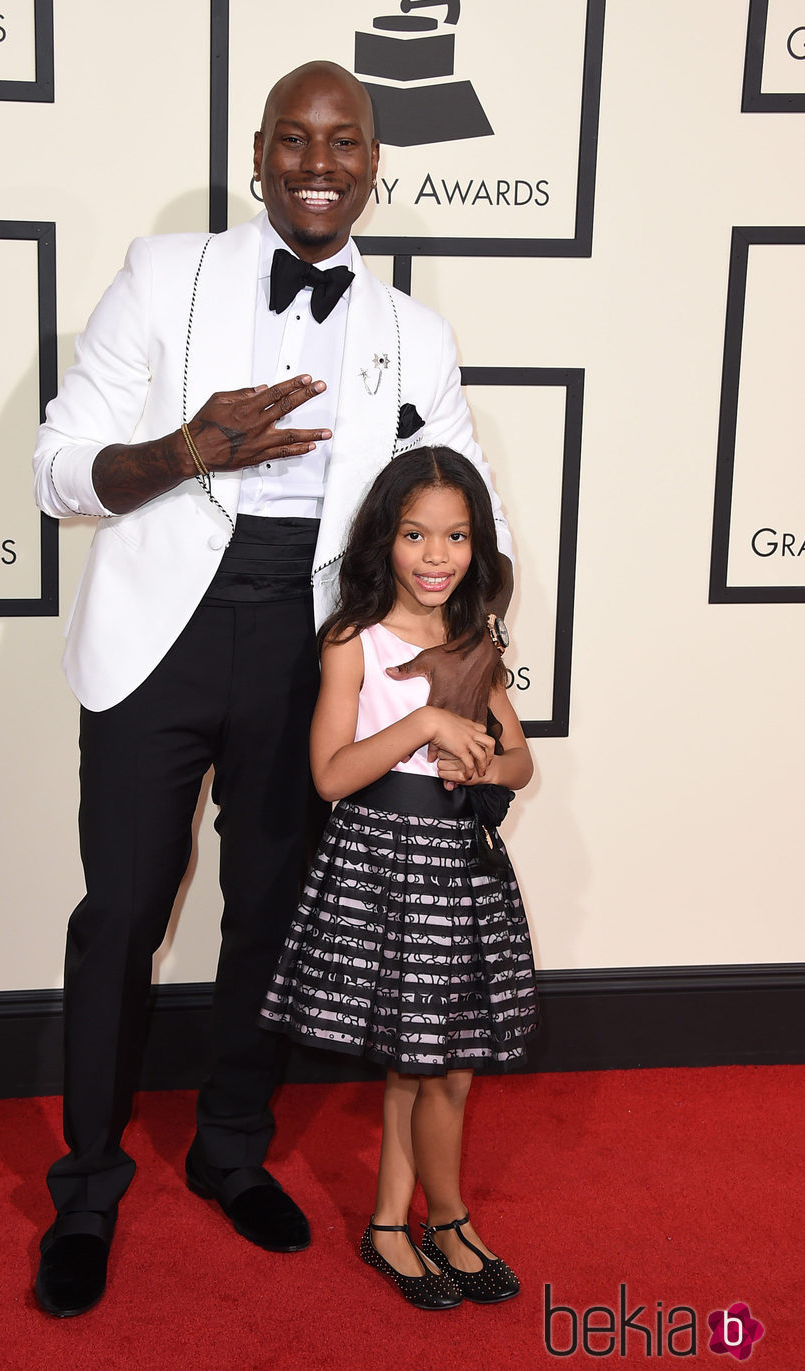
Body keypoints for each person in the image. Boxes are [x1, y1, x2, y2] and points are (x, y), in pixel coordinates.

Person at [31, 60, 514, 1318]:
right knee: (122, 911)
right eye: (293, 139)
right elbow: (57, 467)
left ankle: (228, 1148)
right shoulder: (161, 273)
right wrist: (193, 445)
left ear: (370, 162)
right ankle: (85, 1184)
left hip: (317, 646)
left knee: (271, 912)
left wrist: (465, 687)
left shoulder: (414, 330)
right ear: (258, 154)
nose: (317, 161)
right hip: (160, 630)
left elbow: (470, 514)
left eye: (342, 141)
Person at [260, 447, 536, 1311]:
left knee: (445, 1064)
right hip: (388, 861)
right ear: (386, 539)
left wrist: (481, 766)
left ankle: (399, 1220)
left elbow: (522, 761)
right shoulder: (353, 638)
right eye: (416, 533)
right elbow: (332, 775)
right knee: (421, 1066)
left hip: (461, 865)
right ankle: (435, 1219)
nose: (435, 554)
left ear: (476, 546)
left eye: (455, 536)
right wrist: (421, 723)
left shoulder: (475, 641)